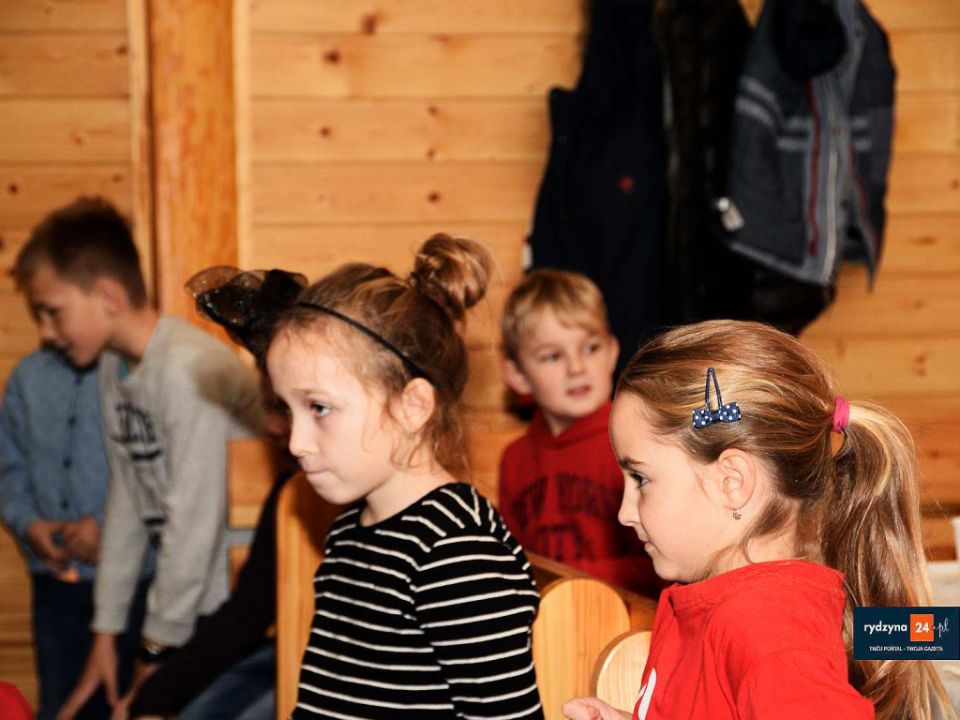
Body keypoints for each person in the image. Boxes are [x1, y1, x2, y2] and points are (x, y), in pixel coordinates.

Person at [562, 320, 954, 720]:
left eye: (641, 479)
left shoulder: (765, 629)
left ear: (732, 482)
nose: (624, 513)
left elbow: (937, 634)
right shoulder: (727, 607)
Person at [254, 234, 543, 718]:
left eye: (319, 408)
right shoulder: (348, 533)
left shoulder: (455, 549)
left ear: (412, 406)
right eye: (288, 409)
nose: (296, 442)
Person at [9, 196, 263, 719]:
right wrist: (106, 631)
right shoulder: (113, 366)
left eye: (54, 312)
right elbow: (126, 498)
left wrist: (153, 652)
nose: (48, 334)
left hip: (231, 604)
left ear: (107, 296)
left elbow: (194, 527)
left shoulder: (188, 371)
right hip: (186, 601)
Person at [123, 269, 306, 720]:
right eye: (270, 406)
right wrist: (153, 698)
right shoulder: (291, 495)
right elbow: (246, 613)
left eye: (284, 409)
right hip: (284, 653)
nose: (270, 426)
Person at [0, 347, 148, 720]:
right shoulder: (28, 376)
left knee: (133, 704)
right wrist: (28, 523)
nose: (51, 331)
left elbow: (151, 470)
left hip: (137, 584)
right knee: (64, 705)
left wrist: (105, 524)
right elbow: (8, 468)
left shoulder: (133, 375)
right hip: (56, 586)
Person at [498, 269, 659, 596]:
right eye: (553, 356)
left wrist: (571, 580)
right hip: (551, 616)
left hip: (633, 617)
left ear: (612, 352)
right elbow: (514, 565)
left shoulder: (639, 439)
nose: (576, 368)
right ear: (518, 375)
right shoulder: (515, 460)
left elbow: (670, 558)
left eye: (590, 348)